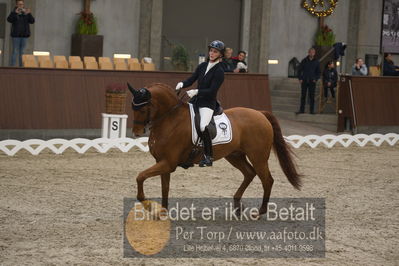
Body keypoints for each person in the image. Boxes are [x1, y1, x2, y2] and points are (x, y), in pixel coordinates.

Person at [175, 40, 225, 167]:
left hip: (207, 104)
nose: (212, 53)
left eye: (215, 52)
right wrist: (182, 83)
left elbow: (212, 90)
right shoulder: (202, 66)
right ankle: (187, 156)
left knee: (203, 126)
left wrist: (197, 91)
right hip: (196, 101)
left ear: (220, 55)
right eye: (211, 51)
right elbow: (192, 79)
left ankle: (208, 156)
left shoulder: (219, 71)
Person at [7, 0, 35, 67]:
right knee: (15, 51)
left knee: (22, 52)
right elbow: (9, 20)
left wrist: (29, 13)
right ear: (16, 5)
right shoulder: (14, 12)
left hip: (24, 35)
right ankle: (12, 67)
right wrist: (14, 13)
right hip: (16, 36)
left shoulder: (25, 12)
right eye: (19, 4)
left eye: (22, 4)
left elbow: (32, 21)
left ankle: (21, 67)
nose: (21, 6)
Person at [296, 48, 321, 114]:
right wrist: (300, 78)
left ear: (314, 53)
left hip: (312, 81)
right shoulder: (304, 61)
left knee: (312, 96)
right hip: (304, 81)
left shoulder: (316, 62)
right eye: (311, 52)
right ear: (308, 53)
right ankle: (302, 110)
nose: (312, 53)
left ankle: (311, 111)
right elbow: (299, 70)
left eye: (313, 52)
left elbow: (318, 72)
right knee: (303, 96)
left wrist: (315, 79)